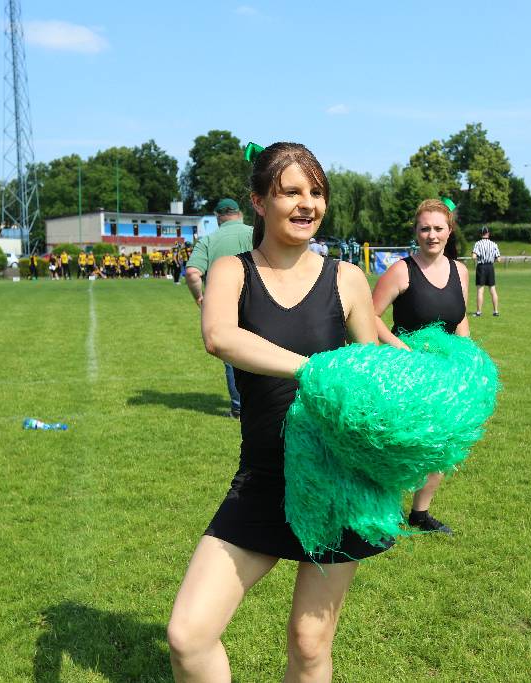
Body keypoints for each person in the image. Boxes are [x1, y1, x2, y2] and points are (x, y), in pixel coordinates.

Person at [167, 143, 384, 682]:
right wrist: (313, 371)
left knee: (309, 645)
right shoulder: (231, 271)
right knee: (188, 636)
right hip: (263, 479)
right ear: (260, 202)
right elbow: (220, 337)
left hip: (337, 483)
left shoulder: (347, 278)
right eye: (291, 192)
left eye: (316, 193)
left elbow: (375, 373)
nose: (307, 204)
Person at [371, 198, 469, 534]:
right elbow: (368, 315)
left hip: (444, 375)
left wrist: (466, 356)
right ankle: (382, 508)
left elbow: (460, 318)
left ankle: (420, 514)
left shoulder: (460, 271)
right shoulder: (401, 271)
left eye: (438, 228)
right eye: (425, 228)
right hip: (404, 374)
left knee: (441, 444)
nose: (432, 235)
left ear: (449, 231)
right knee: (400, 443)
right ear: (416, 232)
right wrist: (401, 349)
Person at [185, 198, 253, 419]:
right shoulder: (256, 233)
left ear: (218, 217)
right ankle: (265, 403)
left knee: (232, 358)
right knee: (262, 350)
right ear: (239, 214)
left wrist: (200, 298)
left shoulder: (209, 240)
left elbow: (192, 273)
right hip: (258, 301)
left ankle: (238, 407)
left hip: (223, 306)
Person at [471, 226, 501, 317]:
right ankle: (496, 311)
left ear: (481, 234)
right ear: (488, 234)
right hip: (490, 267)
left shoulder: (478, 244)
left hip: (481, 267)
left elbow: (473, 257)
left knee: (480, 290)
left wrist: (479, 257)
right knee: (493, 289)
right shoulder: (494, 244)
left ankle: (479, 312)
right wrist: (491, 260)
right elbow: (499, 259)